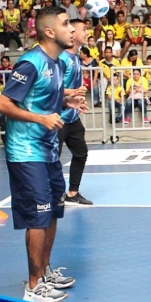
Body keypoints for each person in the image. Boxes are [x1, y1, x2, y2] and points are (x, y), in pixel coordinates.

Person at [0, 6, 87, 302]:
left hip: (47, 150)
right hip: (26, 151)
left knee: (52, 212)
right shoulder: (31, 62)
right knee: (38, 215)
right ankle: (34, 287)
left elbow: (43, 96)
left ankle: (44, 273)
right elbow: (3, 104)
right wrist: (41, 119)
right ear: (49, 32)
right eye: (66, 24)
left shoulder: (58, 62)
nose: (72, 29)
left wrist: (67, 101)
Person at [58, 19, 93, 206]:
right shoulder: (62, 58)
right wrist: (72, 92)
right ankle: (55, 194)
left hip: (72, 117)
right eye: (83, 29)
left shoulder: (76, 57)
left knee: (81, 153)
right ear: (72, 33)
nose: (87, 32)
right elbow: (51, 87)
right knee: (53, 158)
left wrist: (78, 96)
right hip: (58, 117)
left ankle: (73, 192)